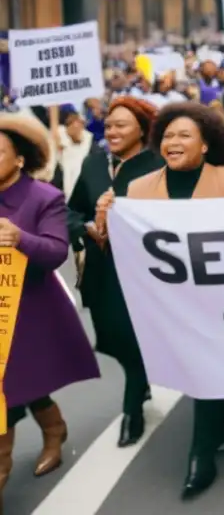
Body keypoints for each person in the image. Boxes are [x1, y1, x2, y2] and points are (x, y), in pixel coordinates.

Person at [98, 103, 224, 500]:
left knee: (207, 369)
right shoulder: (137, 189)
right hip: (167, 305)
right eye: (168, 135)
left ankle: (201, 454)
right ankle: (215, 421)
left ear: (206, 145)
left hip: (219, 300)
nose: (173, 142)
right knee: (194, 369)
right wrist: (106, 220)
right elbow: (122, 248)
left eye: (184, 135)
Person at [0, 113, 99, 502]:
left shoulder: (44, 198)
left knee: (17, 386)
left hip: (28, 312)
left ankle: (17, 455)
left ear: (20, 159)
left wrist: (21, 238)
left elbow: (56, 251)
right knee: (13, 387)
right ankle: (52, 429)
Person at [70, 96, 164, 448]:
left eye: (121, 125)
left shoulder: (158, 164)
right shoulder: (93, 164)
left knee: (133, 334)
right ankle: (140, 381)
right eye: (108, 125)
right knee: (113, 337)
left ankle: (132, 409)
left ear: (141, 128)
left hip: (141, 273)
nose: (112, 131)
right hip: (100, 271)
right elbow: (71, 210)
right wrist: (86, 228)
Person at [57, 107, 101, 199]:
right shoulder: (61, 143)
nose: (75, 126)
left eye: (77, 122)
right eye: (70, 123)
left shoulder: (92, 145)